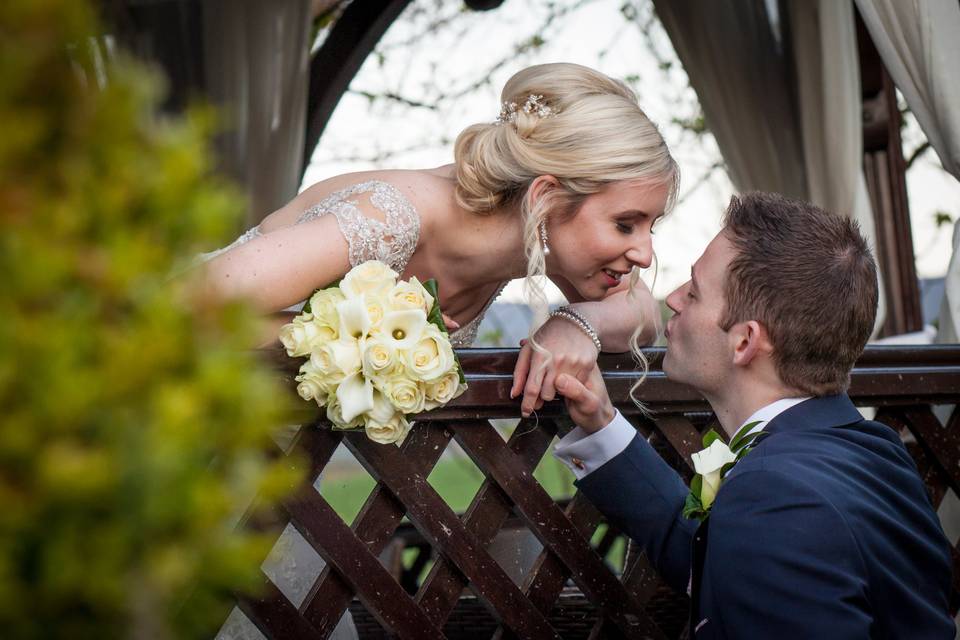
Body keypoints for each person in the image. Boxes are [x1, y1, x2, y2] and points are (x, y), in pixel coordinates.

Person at [552, 192, 955, 638]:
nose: (674, 298)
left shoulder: (775, 499)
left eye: (695, 291)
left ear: (744, 342)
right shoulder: (875, 452)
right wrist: (602, 424)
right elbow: (718, 558)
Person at [198, 62, 678, 413]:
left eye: (649, 227)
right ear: (546, 199)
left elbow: (639, 313)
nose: (643, 252)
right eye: (625, 224)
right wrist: (354, 339)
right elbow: (181, 305)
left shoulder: (529, 240)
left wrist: (575, 324)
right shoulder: (393, 217)